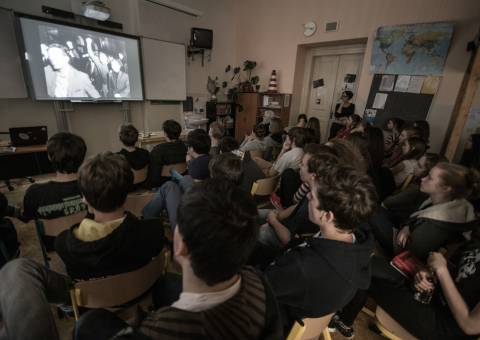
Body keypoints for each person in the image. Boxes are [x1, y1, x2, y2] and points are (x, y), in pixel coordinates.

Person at [73, 179, 283, 340]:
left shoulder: (158, 330)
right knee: (164, 285)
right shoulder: (259, 280)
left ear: (180, 245)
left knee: (89, 323)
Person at [265, 165, 377, 330]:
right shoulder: (358, 246)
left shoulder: (304, 266)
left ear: (327, 216)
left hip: (272, 317)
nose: (308, 195)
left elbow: (262, 289)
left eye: (312, 197)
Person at [55, 152, 164, 280]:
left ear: (85, 200)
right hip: (142, 294)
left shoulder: (63, 244)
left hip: (96, 299)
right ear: (127, 192)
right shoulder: (154, 231)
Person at [369, 233, 480, 339]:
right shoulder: (475, 240)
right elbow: (454, 270)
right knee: (374, 266)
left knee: (368, 278)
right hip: (432, 296)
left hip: (442, 327)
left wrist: (442, 272)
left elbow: (469, 326)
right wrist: (429, 274)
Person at [371, 162, 479, 261]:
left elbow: (412, 254)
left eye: (430, 178)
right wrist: (408, 226)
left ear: (446, 188)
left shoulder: (438, 224)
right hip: (404, 233)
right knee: (372, 208)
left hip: (402, 253)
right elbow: (414, 218)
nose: (423, 178)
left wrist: (406, 227)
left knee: (370, 211)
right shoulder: (439, 200)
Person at [22, 132, 88, 250]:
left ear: (49, 156)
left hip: (53, 244)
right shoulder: (94, 185)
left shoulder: (34, 192)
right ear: (82, 157)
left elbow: (27, 217)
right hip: (87, 237)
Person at [142, 129, 211, 229]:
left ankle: (147, 218)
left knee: (169, 185)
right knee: (172, 184)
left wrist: (189, 165)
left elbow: (191, 190)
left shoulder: (195, 166)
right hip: (202, 207)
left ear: (191, 148)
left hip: (190, 217)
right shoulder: (213, 161)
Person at [146, 119, 187, 188]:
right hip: (182, 180)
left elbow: (154, 178)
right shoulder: (186, 147)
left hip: (163, 184)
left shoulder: (157, 150)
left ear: (165, 134)